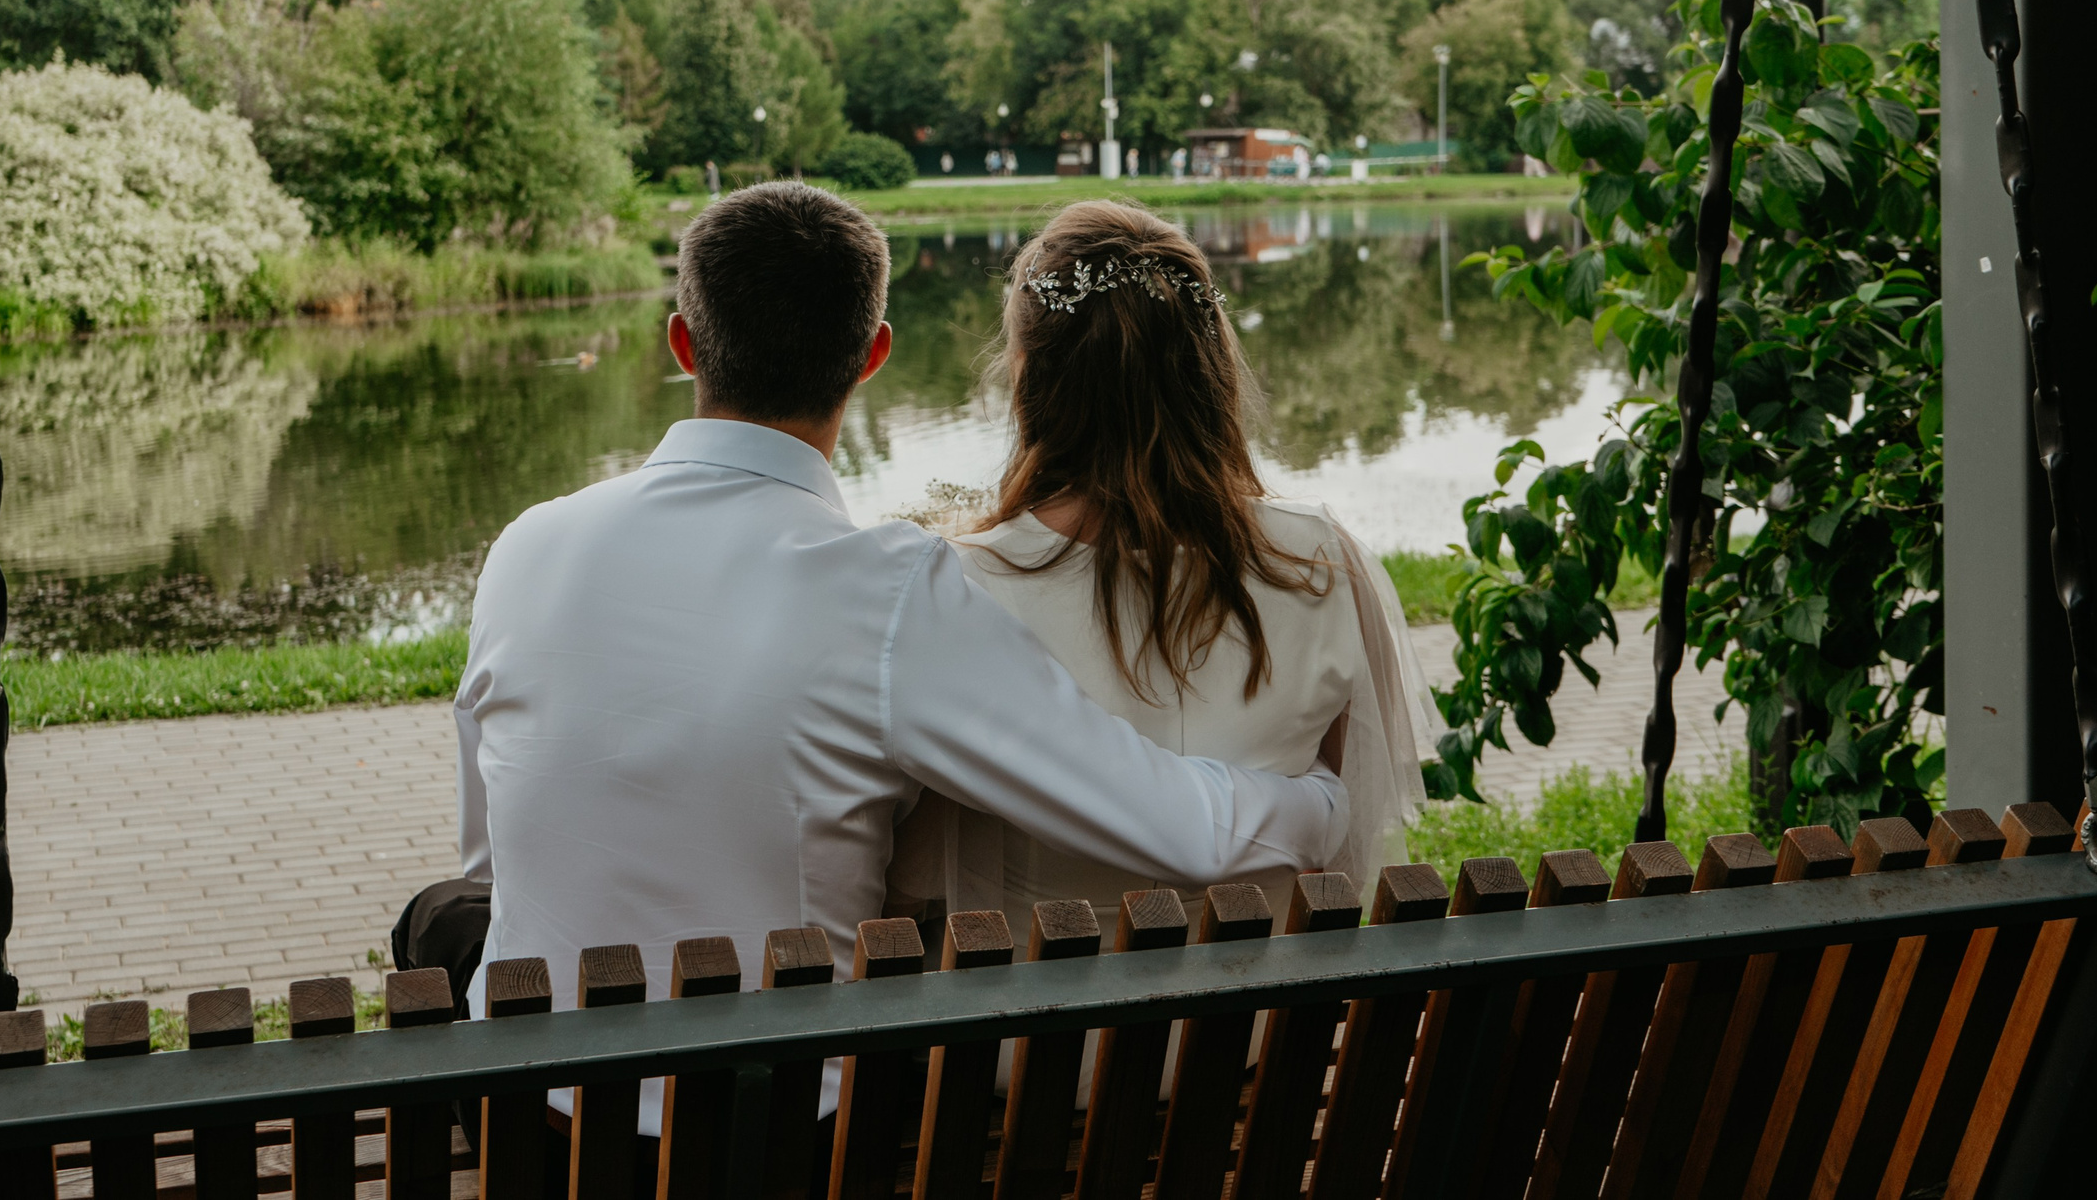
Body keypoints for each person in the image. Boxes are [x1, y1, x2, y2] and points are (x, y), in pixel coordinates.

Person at [401, 182, 1350, 1154]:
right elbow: (1174, 828)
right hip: (778, 1125)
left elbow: (490, 861)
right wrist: (1321, 802)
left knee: (437, 919)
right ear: (873, 357)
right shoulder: (888, 593)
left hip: (531, 1108)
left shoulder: (528, 544)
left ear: (681, 344)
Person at [892, 199, 1434, 941]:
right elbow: (1342, 859)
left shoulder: (955, 588)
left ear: (1026, 376)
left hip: (1040, 1051)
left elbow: (913, 884)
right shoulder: (1320, 559)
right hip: (1261, 1043)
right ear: (1209, 367)